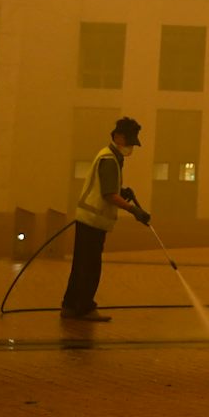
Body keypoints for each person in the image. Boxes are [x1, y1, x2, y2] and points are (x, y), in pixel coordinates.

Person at [60, 116, 151, 321]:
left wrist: (122, 190)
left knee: (81, 265)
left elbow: (109, 189)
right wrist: (133, 210)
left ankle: (69, 305)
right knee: (90, 267)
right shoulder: (110, 159)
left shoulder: (108, 156)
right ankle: (84, 308)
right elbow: (108, 195)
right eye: (130, 141)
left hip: (88, 218)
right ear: (118, 137)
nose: (131, 147)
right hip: (93, 220)